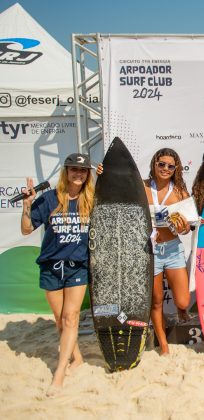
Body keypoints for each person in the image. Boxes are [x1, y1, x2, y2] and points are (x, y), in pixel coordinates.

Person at [20, 153, 96, 396]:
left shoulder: (92, 200)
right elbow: (26, 229)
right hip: (51, 265)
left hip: (77, 265)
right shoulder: (49, 198)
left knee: (71, 317)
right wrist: (26, 207)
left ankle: (60, 372)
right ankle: (77, 357)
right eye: (74, 169)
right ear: (66, 171)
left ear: (87, 175)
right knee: (60, 318)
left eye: (83, 170)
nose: (78, 174)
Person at [145, 148, 191, 355]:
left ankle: (182, 311)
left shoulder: (180, 192)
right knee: (156, 301)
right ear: (154, 164)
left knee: (183, 300)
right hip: (149, 250)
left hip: (172, 249)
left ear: (176, 169)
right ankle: (163, 345)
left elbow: (188, 226)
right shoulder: (142, 187)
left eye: (170, 166)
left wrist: (184, 227)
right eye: (161, 164)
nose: (165, 169)